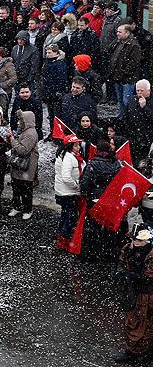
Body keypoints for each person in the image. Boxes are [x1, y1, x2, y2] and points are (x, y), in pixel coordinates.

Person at [113, 227, 153, 363]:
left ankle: (139, 352)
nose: (135, 242)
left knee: (146, 323)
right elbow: (121, 262)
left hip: (148, 294)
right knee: (133, 321)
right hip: (134, 292)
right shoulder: (128, 248)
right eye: (134, 239)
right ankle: (134, 352)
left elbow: (149, 277)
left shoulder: (151, 254)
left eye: (139, 240)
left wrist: (131, 275)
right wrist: (121, 273)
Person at [80, 139, 123, 262]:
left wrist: (86, 194)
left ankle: (92, 254)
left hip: (95, 200)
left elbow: (84, 184)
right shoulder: (116, 163)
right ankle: (109, 253)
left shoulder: (92, 164)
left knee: (94, 227)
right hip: (111, 200)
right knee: (109, 227)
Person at [7, 111, 40, 220]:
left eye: (20, 121)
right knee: (17, 188)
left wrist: (12, 140)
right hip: (21, 166)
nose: (18, 123)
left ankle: (27, 209)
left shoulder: (30, 134)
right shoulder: (25, 131)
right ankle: (17, 207)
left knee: (25, 189)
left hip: (27, 167)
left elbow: (23, 150)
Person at [54, 136, 84, 249]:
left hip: (63, 191)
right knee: (70, 216)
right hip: (68, 192)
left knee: (65, 213)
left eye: (78, 145)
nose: (78, 147)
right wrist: (76, 187)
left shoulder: (64, 154)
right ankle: (64, 238)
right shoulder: (68, 158)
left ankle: (61, 234)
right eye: (76, 145)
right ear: (70, 146)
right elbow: (66, 177)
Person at [110, 24, 143, 117]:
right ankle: (122, 117)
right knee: (120, 100)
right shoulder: (120, 42)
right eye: (117, 31)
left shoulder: (134, 45)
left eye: (120, 32)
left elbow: (133, 63)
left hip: (127, 79)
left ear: (127, 33)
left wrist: (123, 74)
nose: (117, 34)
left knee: (126, 101)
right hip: (118, 78)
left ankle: (127, 119)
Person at [124, 79, 153, 164]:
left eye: (142, 90)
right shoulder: (132, 100)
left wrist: (144, 107)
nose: (139, 92)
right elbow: (126, 116)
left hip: (148, 137)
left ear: (148, 91)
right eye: (138, 90)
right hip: (134, 136)